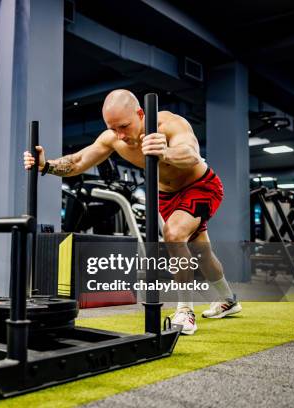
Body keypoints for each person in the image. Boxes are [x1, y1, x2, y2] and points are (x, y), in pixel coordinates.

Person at [23, 89, 241, 335]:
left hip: (200, 186)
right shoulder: (112, 138)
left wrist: (165, 152)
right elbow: (77, 162)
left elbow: (191, 155)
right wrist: (46, 165)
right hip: (166, 196)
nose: (119, 135)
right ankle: (229, 299)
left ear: (140, 113)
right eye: (112, 128)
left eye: (124, 126)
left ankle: (185, 311)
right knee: (203, 252)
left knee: (174, 234)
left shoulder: (168, 124)